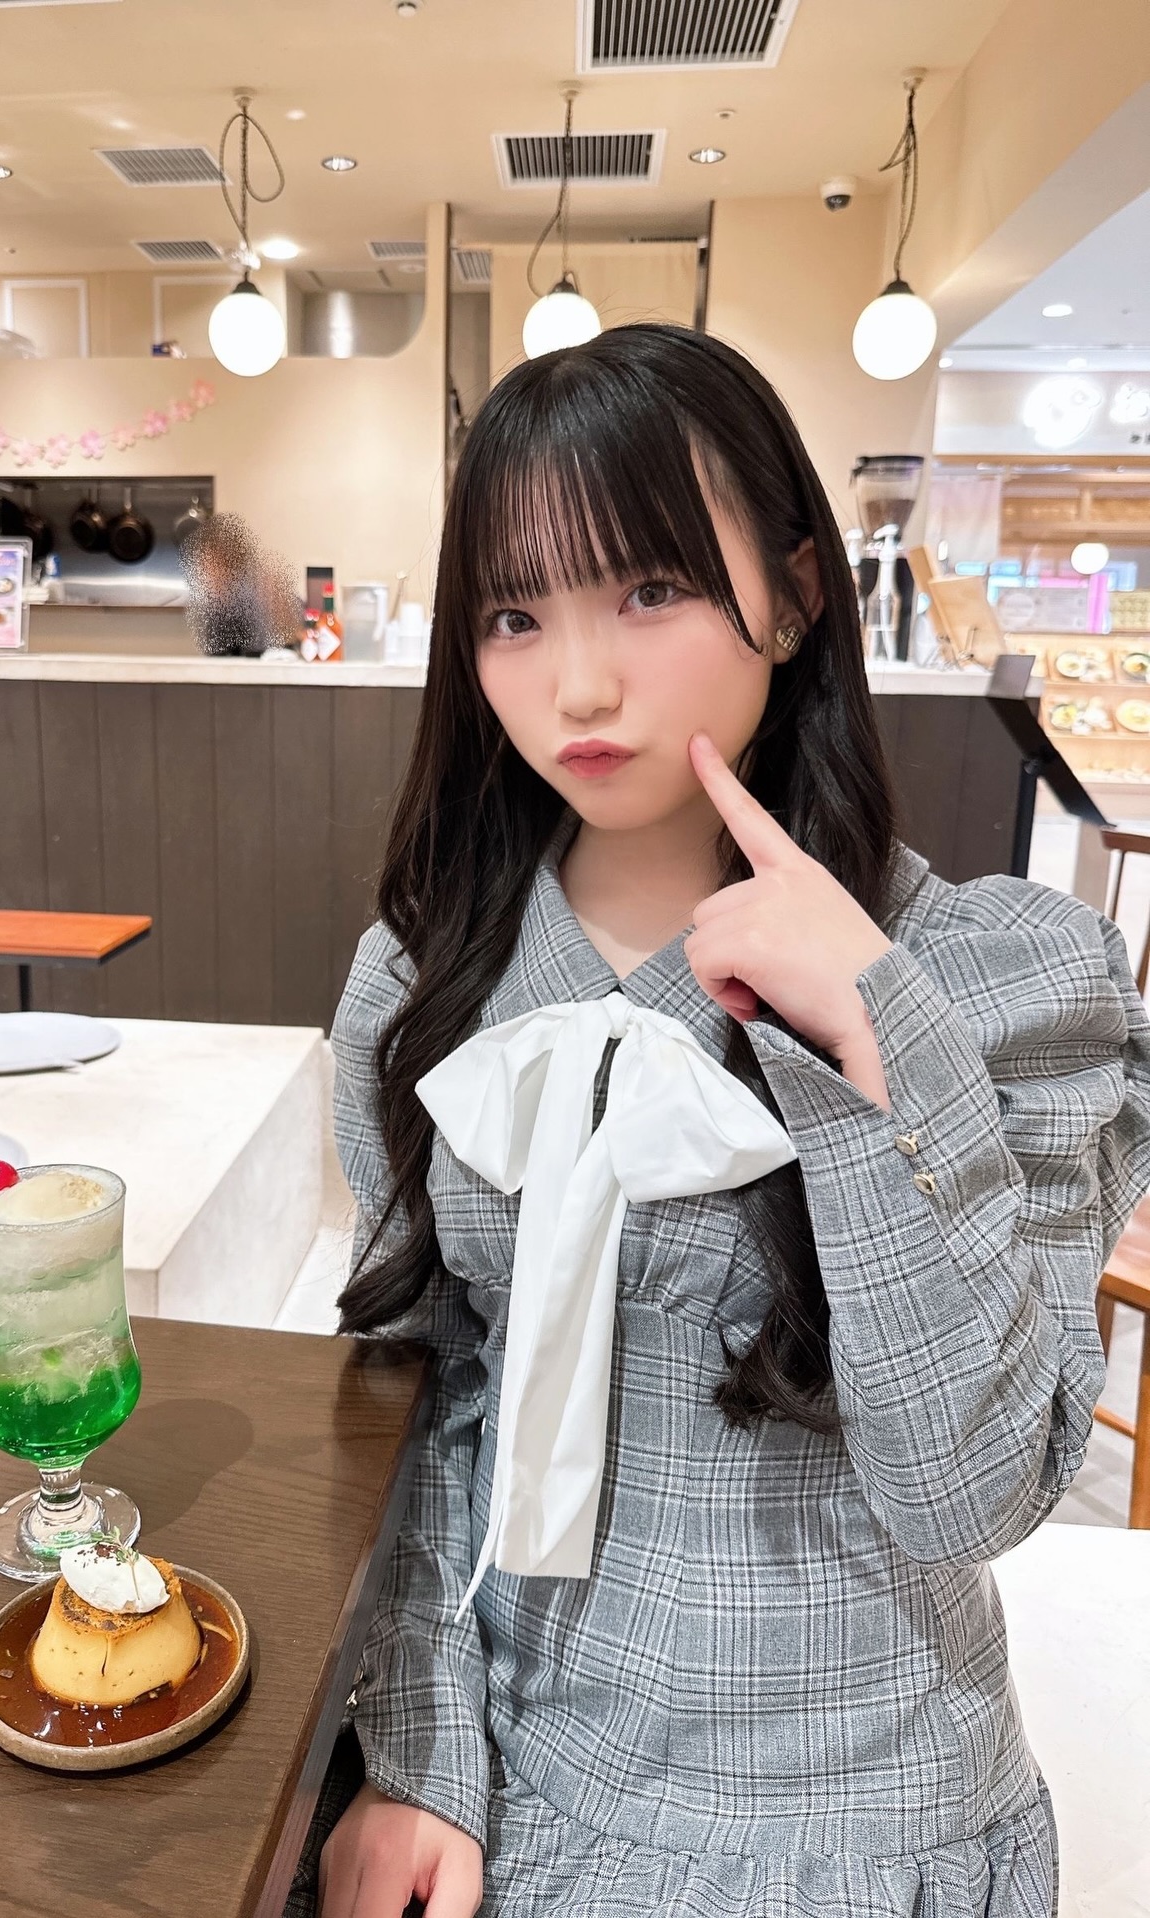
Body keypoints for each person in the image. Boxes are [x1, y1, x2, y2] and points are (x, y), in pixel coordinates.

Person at [301, 324, 1150, 1918]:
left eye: (648, 588)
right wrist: (420, 1746)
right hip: (517, 1775)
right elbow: (424, 1391)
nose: (578, 684)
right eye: (513, 614)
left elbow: (971, 1493)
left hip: (861, 1817)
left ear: (796, 591)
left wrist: (871, 1042)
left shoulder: (995, 978)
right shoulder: (424, 986)